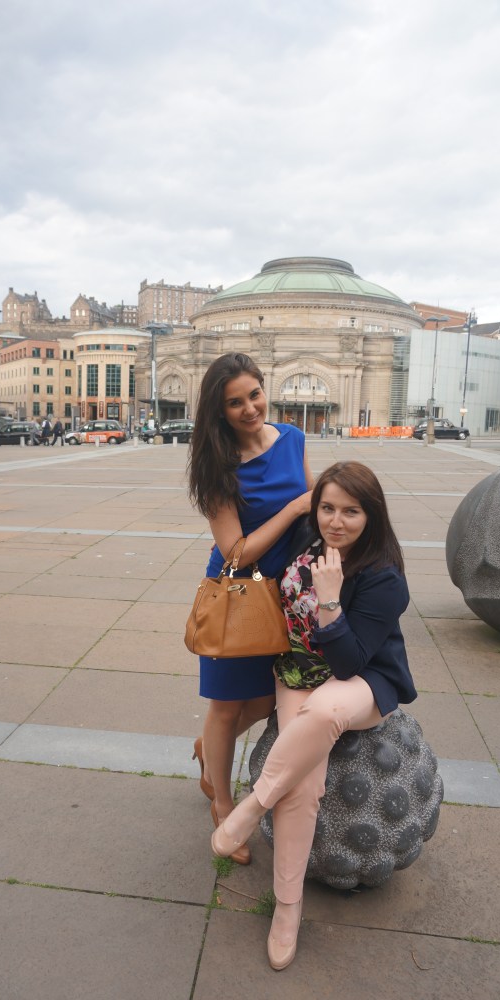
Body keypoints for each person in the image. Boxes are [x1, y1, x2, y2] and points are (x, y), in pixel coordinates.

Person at [211, 461, 417, 970]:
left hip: (361, 682)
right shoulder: (308, 538)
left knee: (326, 709)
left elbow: (350, 661)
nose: (336, 521)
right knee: (301, 787)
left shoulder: (383, 578)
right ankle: (288, 907)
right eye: (327, 507)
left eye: (351, 511)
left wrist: (329, 601)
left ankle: (252, 806)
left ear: (372, 515)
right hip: (298, 673)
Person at [187, 353, 314, 866]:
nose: (248, 408)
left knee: (265, 702)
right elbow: (236, 550)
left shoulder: (293, 439)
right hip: (237, 595)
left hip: (284, 592)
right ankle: (221, 803)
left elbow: (311, 508)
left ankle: (206, 751)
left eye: (253, 394)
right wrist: (291, 510)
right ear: (219, 412)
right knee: (224, 708)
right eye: (234, 403)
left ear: (266, 389)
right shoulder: (218, 468)